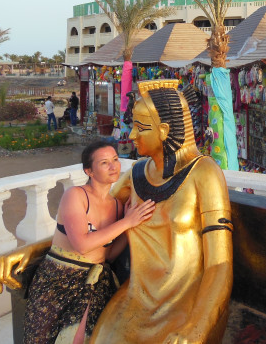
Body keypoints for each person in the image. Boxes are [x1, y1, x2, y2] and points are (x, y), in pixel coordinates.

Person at [89, 79, 233, 343]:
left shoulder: (204, 173)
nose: (132, 135)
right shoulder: (136, 175)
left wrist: (196, 329)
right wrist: (37, 249)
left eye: (141, 128)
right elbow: (91, 226)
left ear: (164, 130)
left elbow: (219, 265)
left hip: (188, 303)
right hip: (136, 299)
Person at [0, 139, 155, 344]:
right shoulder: (76, 196)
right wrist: (126, 222)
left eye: (115, 159)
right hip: (60, 277)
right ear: (89, 171)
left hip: (93, 280)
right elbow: (82, 245)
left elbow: (109, 255)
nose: (113, 166)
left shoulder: (116, 206)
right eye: (104, 163)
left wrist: (129, 227)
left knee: (82, 337)